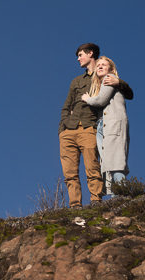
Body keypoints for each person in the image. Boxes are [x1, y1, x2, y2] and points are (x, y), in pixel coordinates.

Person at [58, 43, 105, 208]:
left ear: (90, 53)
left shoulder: (103, 76)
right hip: (68, 130)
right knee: (69, 173)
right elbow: (66, 106)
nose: (78, 59)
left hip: (88, 128)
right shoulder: (76, 81)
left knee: (92, 166)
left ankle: (96, 201)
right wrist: (62, 127)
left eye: (80, 55)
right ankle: (75, 205)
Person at [81, 56, 130, 196]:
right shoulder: (102, 83)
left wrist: (87, 99)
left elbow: (100, 101)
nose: (100, 67)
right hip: (104, 125)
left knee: (116, 161)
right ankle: (116, 197)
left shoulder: (109, 78)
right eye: (98, 65)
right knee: (108, 163)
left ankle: (122, 196)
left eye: (104, 64)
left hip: (113, 124)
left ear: (110, 68)